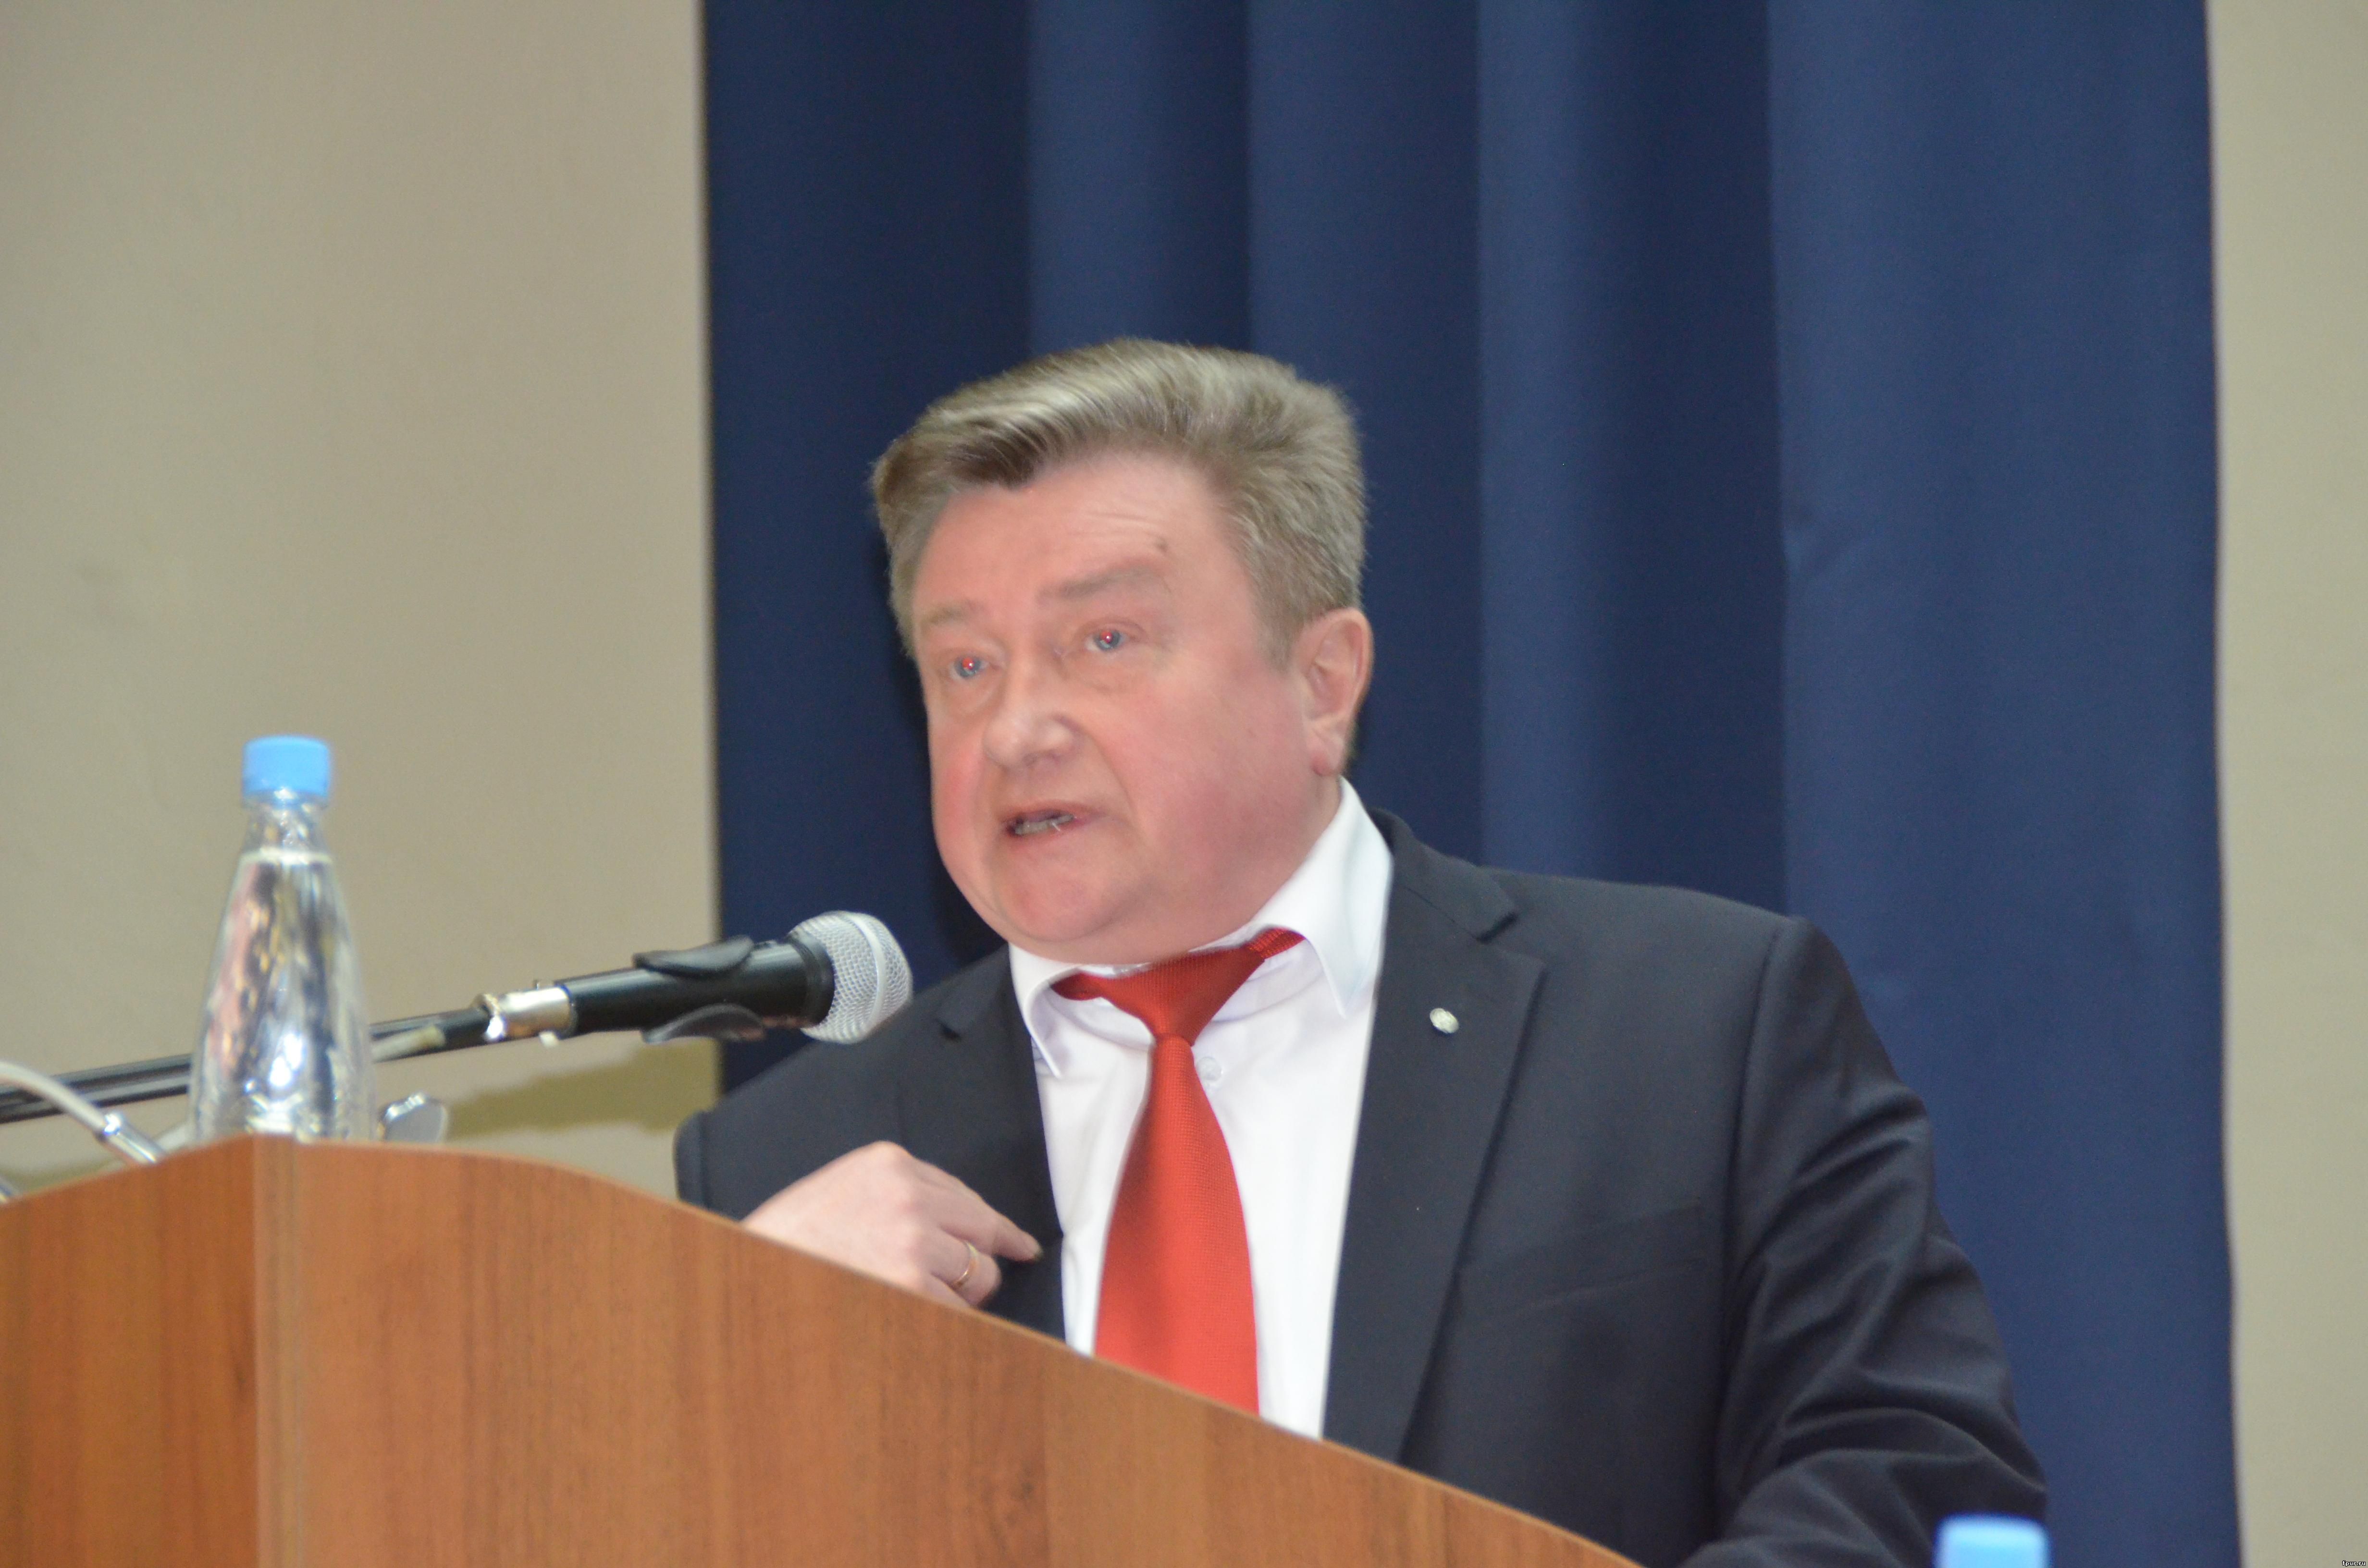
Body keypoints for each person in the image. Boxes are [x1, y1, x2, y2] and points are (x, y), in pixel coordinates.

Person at [675, 340, 2044, 1565]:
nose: (1019, 727)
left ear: (1322, 682)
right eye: (965, 667)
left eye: (1103, 640)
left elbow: (1912, 1482)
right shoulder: (787, 1168)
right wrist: (729, 1366)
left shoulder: (1694, 1027)